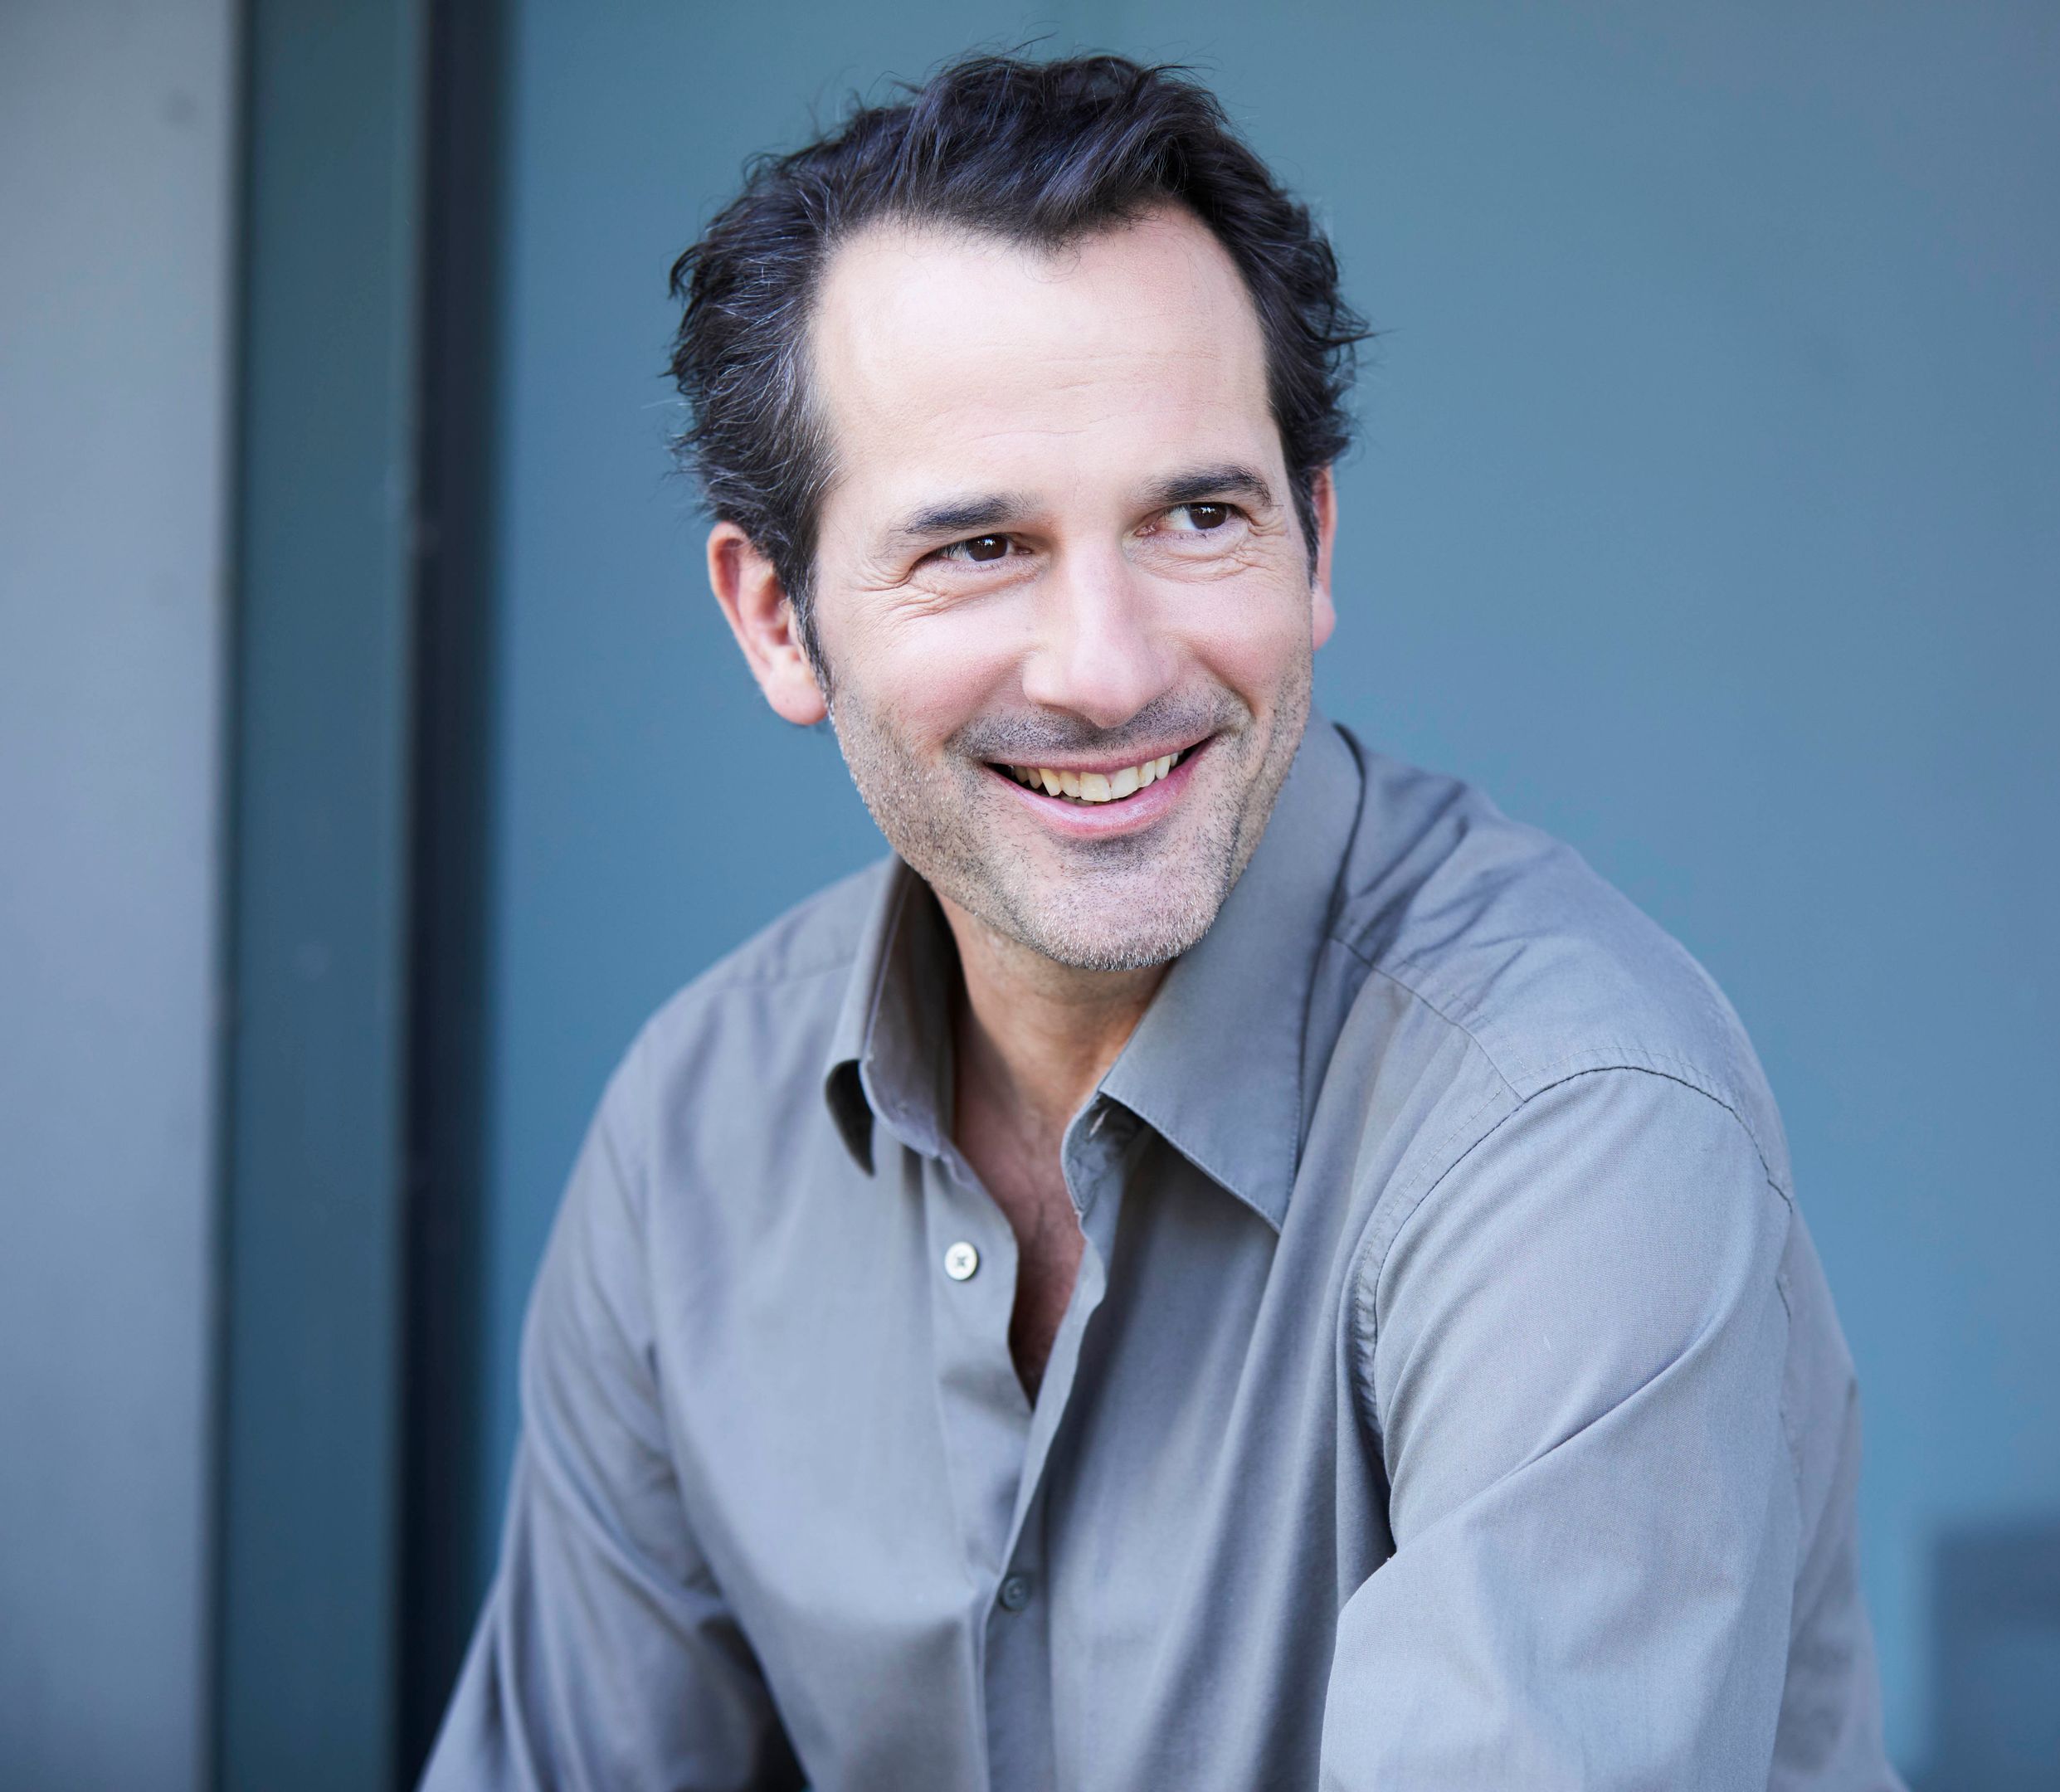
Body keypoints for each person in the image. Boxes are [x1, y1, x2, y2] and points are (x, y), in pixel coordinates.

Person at [422, 51, 1897, 1791]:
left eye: (1198, 517)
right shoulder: (696, 1140)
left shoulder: (1572, 1129)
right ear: (775, 619)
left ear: (1313, 541)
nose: (1111, 670)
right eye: (980, 548)